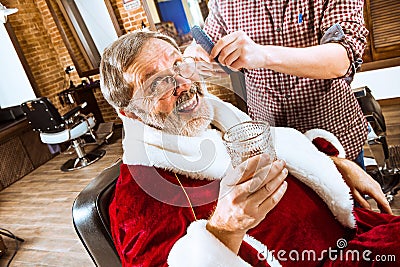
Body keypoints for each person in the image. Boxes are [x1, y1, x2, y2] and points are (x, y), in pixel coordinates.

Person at [100, 30, 399, 267]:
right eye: (155, 83)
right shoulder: (138, 196)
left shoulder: (222, 119)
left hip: (355, 233)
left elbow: (286, 149)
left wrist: (334, 164)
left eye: (178, 64)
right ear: (131, 113)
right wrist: (223, 231)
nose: (183, 83)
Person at [184, 0, 369, 168]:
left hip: (332, 134)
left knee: (348, 202)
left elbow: (343, 59)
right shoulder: (224, 3)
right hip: (271, 142)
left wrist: (263, 55)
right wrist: (196, 55)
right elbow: (207, 45)